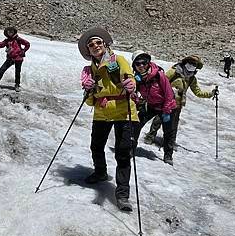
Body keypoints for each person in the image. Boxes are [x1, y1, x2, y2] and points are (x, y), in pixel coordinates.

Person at [78, 27, 139, 212]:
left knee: (123, 153)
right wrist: (88, 90)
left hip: (124, 111)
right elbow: (89, 102)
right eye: (91, 45)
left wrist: (131, 84)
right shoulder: (88, 71)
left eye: (98, 42)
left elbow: (130, 80)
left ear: (105, 44)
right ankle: (101, 172)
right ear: (88, 51)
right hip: (102, 112)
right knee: (96, 146)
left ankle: (122, 194)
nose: (95, 46)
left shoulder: (118, 60)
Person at [143, 55, 218, 151]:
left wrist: (211, 94)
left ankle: (170, 142)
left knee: (173, 124)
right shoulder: (174, 72)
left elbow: (198, 92)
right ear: (185, 62)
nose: (191, 65)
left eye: (194, 64)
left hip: (177, 104)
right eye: (190, 63)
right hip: (165, 101)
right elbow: (161, 82)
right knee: (159, 120)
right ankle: (150, 136)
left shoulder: (191, 78)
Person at [130, 50, 178, 165]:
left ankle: (168, 155)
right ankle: (131, 148)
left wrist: (166, 110)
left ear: (148, 62)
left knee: (168, 131)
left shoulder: (158, 75)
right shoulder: (138, 78)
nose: (141, 66)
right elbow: (135, 94)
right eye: (138, 63)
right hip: (151, 105)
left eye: (144, 62)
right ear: (134, 65)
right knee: (136, 124)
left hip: (166, 106)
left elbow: (169, 93)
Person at [0, 27, 30, 91]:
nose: (10, 33)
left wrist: (23, 51)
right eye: (9, 32)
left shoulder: (18, 39)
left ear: (14, 32)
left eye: (11, 32)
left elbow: (27, 44)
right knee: (2, 69)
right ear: (6, 33)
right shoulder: (7, 41)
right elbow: (0, 45)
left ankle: (17, 85)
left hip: (18, 58)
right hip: (11, 58)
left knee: (17, 72)